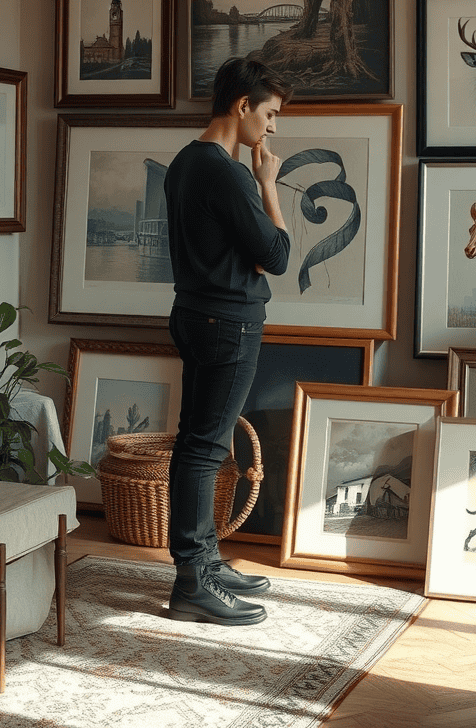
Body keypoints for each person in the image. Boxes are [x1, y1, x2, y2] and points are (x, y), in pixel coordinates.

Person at [163, 57, 293, 626]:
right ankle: (193, 579)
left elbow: (245, 254)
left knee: (197, 444)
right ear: (242, 105)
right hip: (230, 322)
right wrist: (268, 186)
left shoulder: (183, 164)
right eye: (268, 114)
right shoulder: (229, 173)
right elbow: (279, 256)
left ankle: (204, 563)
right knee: (205, 449)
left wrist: (255, 256)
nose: (271, 129)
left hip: (194, 314)